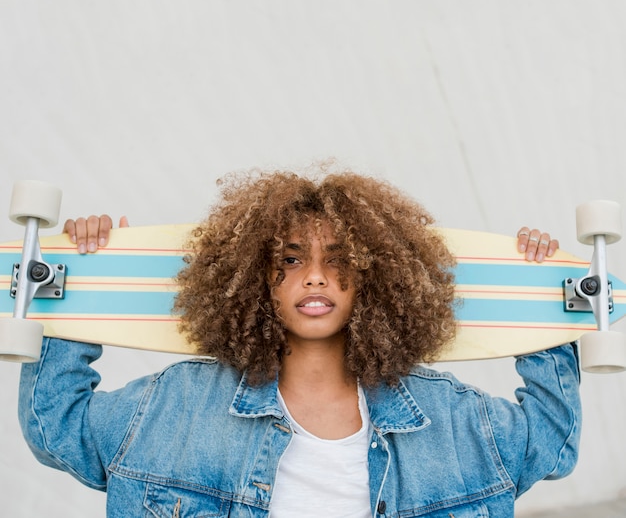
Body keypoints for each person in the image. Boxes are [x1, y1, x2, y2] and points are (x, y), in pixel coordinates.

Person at [18, 169, 578, 518]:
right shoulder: (178, 406)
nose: (314, 278)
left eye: (338, 262)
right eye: (290, 260)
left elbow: (549, 444)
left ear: (376, 279)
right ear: (253, 277)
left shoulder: (448, 419)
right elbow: (56, 428)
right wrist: (80, 285)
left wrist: (539, 298)